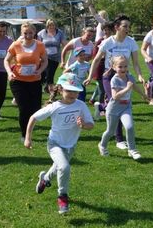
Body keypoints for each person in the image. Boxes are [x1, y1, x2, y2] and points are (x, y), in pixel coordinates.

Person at [25, 73, 94, 215]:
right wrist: (28, 138)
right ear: (61, 89)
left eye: (75, 91)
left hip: (71, 145)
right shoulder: (54, 106)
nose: (73, 94)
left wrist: (83, 125)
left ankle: (44, 179)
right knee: (64, 167)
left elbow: (91, 125)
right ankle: (62, 197)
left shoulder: (81, 105)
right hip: (54, 144)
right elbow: (33, 118)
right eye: (69, 90)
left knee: (58, 167)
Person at [84, 14, 145, 150]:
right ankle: (119, 139)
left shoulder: (131, 42)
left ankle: (101, 107)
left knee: (121, 101)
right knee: (115, 101)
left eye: (129, 26)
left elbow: (135, 63)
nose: (127, 29)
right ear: (117, 27)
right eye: (125, 26)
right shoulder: (108, 42)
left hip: (124, 74)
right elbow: (96, 59)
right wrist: (90, 77)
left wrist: (139, 75)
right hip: (109, 75)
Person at [97, 55, 148, 160]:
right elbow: (115, 96)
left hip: (126, 107)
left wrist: (143, 95)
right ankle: (102, 145)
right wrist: (127, 88)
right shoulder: (114, 80)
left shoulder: (130, 77)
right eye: (120, 67)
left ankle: (132, 150)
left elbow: (134, 86)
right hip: (113, 109)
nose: (123, 69)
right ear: (114, 67)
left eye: (125, 66)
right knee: (110, 131)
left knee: (129, 127)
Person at [4, 22, 48, 142]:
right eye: (25, 33)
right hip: (18, 81)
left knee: (35, 108)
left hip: (34, 81)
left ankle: (29, 129)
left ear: (34, 32)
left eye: (30, 32)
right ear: (21, 33)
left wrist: (40, 71)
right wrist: (9, 73)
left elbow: (45, 61)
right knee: (24, 109)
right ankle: (24, 134)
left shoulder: (40, 45)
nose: (28, 35)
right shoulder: (15, 45)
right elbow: (6, 60)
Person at [37, 19, 67, 95]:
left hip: (55, 57)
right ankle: (50, 91)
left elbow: (64, 44)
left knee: (50, 73)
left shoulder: (59, 33)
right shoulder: (42, 33)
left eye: (53, 25)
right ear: (47, 25)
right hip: (44, 57)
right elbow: (37, 44)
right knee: (46, 74)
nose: (51, 27)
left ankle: (49, 89)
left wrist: (66, 50)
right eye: (50, 25)